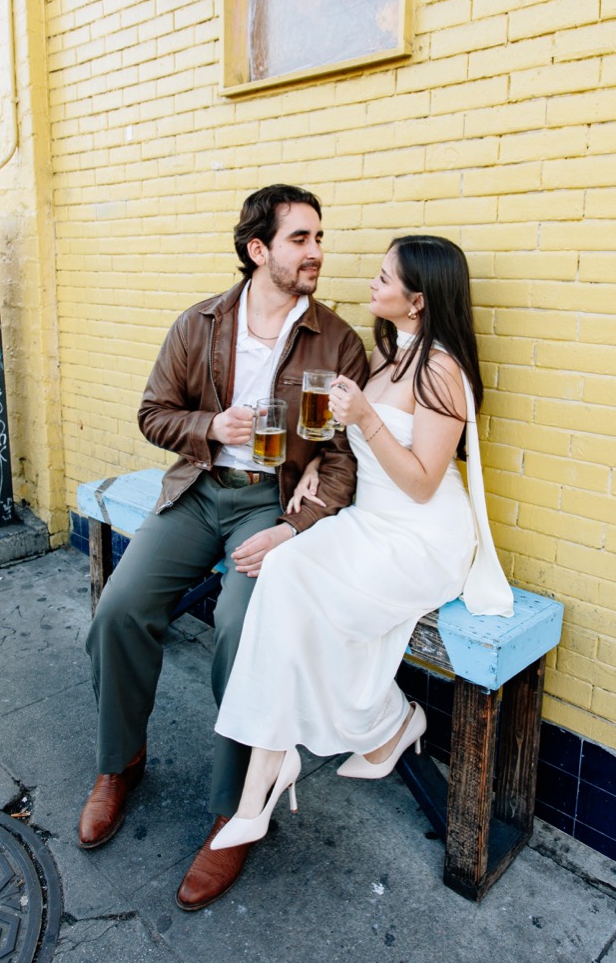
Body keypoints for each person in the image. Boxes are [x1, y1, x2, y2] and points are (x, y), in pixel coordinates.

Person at [80, 185, 369, 910]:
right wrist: (213, 427)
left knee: (241, 632)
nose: (316, 253)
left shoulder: (338, 342)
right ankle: (121, 763)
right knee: (119, 609)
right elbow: (154, 413)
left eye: (319, 238)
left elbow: (344, 458)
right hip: (201, 489)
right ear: (258, 250)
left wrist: (296, 526)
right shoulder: (201, 323)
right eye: (300, 239)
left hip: (270, 509)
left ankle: (234, 813)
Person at [206, 234, 512, 859]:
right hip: (369, 522)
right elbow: (361, 454)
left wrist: (367, 418)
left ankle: (372, 730)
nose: (371, 285)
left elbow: (424, 482)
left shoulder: (442, 370)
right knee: (283, 568)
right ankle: (286, 759)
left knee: (296, 586)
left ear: (418, 300)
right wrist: (320, 461)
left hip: (420, 539)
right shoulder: (387, 358)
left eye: (383, 278)